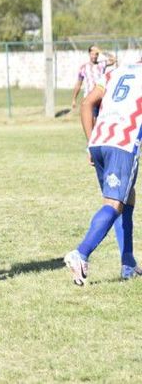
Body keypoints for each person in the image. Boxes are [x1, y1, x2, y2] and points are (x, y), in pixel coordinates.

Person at [64, 56, 142, 285]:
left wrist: (90, 142)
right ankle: (81, 253)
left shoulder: (116, 71)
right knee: (113, 203)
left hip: (99, 141)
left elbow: (87, 103)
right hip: (123, 144)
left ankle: (128, 262)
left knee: (126, 197)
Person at [71, 45, 116, 110]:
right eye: (92, 54)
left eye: (96, 54)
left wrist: (101, 51)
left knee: (99, 118)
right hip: (88, 97)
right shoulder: (83, 67)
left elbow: (113, 60)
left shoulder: (102, 64)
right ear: (89, 54)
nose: (94, 56)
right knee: (90, 118)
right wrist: (74, 99)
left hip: (100, 97)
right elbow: (78, 84)